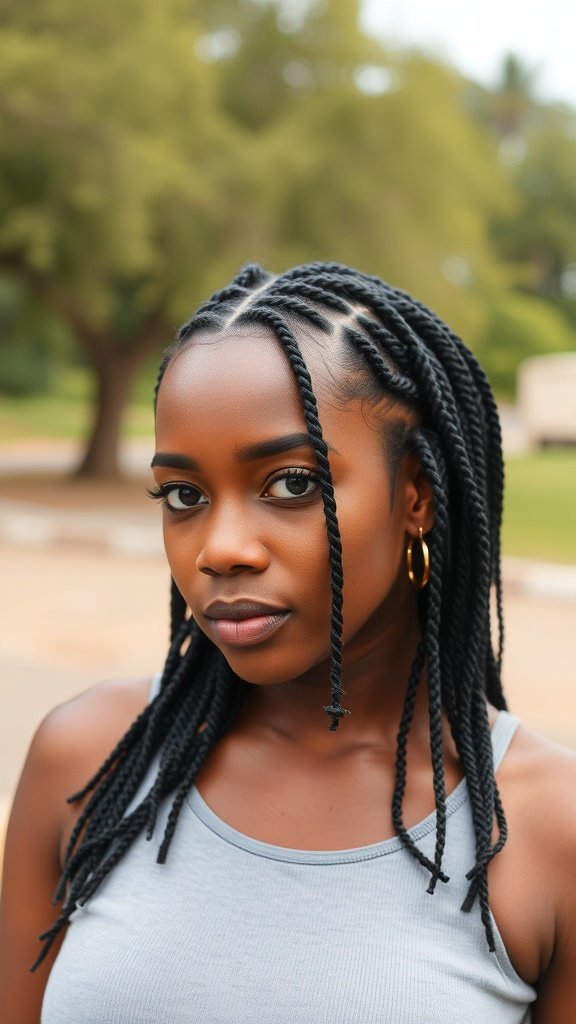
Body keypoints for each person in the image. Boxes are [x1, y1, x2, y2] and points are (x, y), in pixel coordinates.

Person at [1, 261, 575, 1022]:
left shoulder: (546, 828)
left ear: (417, 496)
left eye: (292, 484)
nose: (221, 549)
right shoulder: (86, 763)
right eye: (184, 495)